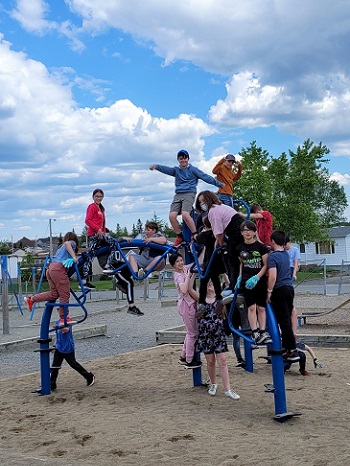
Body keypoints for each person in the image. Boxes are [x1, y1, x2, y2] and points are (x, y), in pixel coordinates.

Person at [150, 150, 224, 247]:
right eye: (181, 158)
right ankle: (180, 236)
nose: (183, 160)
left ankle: (194, 234)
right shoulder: (176, 170)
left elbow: (205, 177)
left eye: (185, 158)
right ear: (178, 160)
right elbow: (167, 170)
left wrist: (219, 184)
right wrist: (156, 167)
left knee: (185, 214)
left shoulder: (193, 170)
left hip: (189, 193)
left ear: (188, 159)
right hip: (178, 194)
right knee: (172, 216)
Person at [107, 222, 167, 316]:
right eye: (145, 229)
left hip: (156, 261)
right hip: (145, 260)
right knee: (132, 257)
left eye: (148, 230)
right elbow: (134, 244)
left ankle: (145, 272)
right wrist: (139, 245)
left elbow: (163, 241)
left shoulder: (158, 236)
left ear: (154, 230)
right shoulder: (143, 238)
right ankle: (137, 274)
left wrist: (151, 239)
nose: (146, 232)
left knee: (159, 258)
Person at [193, 280, 240, 400]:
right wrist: (191, 275)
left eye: (212, 283)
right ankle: (213, 384)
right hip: (205, 334)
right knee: (210, 361)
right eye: (208, 283)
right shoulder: (201, 298)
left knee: (222, 360)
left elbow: (230, 283)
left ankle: (228, 389)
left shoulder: (221, 297)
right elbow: (188, 289)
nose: (210, 285)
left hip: (218, 333)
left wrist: (224, 274)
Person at [195, 190, 244, 290]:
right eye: (200, 202)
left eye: (203, 201)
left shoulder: (213, 211)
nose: (202, 204)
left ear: (209, 199)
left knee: (231, 257)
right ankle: (234, 284)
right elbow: (219, 232)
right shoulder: (220, 207)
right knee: (230, 256)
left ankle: (235, 286)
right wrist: (219, 241)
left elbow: (219, 232)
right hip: (237, 227)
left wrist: (219, 243)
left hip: (235, 229)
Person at [24, 232, 79, 319]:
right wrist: (74, 257)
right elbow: (67, 243)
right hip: (58, 269)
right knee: (64, 294)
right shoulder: (72, 243)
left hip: (50, 269)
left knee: (54, 294)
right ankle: (63, 318)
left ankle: (31, 299)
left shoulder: (61, 249)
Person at [235, 220, 272, 345]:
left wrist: (257, 277)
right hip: (246, 281)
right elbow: (241, 263)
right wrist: (240, 277)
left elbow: (265, 265)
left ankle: (262, 331)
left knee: (261, 308)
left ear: (255, 232)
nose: (247, 232)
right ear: (241, 233)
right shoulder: (239, 248)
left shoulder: (261, 247)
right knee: (251, 307)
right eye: (245, 230)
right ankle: (254, 331)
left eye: (250, 230)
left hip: (259, 281)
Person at [267, 230, 300, 362]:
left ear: (273, 241)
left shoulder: (273, 257)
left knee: (283, 321)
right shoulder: (286, 254)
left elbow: (273, 276)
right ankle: (288, 347)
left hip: (279, 289)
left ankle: (292, 350)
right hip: (289, 288)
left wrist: (269, 291)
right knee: (286, 318)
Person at [169, 252, 201, 369]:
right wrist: (188, 275)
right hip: (185, 305)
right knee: (193, 333)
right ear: (173, 265)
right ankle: (189, 360)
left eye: (181, 260)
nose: (181, 263)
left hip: (190, 304)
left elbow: (197, 263)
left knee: (190, 332)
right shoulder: (178, 275)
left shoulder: (184, 268)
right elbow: (183, 289)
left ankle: (184, 356)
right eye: (177, 262)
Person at [82, 188, 118, 289]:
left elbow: (102, 224)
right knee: (90, 256)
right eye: (97, 196)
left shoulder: (101, 209)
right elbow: (88, 220)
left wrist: (104, 232)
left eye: (100, 196)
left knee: (111, 244)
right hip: (94, 234)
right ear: (93, 197)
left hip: (101, 234)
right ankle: (84, 281)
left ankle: (107, 264)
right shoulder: (92, 207)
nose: (99, 198)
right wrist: (97, 230)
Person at [50, 309, 95, 391]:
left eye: (62, 311)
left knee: (73, 364)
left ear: (67, 312)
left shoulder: (68, 321)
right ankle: (52, 384)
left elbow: (66, 329)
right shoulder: (57, 322)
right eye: (59, 310)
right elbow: (57, 335)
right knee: (55, 366)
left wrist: (59, 327)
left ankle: (89, 376)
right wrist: (54, 345)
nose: (61, 312)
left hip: (67, 347)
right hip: (59, 347)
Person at [192, 215, 226, 316]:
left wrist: (197, 234)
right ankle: (219, 299)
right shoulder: (220, 233)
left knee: (204, 281)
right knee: (215, 279)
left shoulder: (206, 234)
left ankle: (202, 303)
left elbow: (197, 239)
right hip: (220, 262)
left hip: (210, 262)